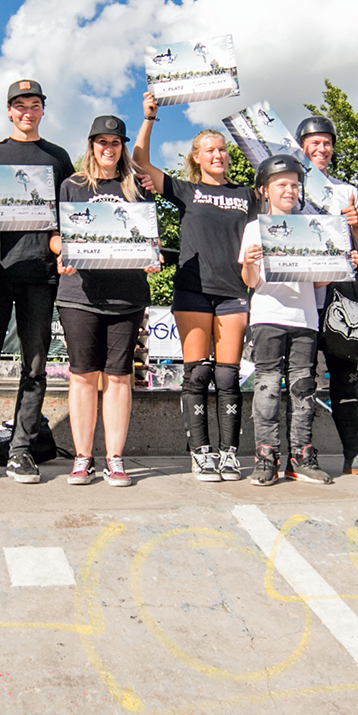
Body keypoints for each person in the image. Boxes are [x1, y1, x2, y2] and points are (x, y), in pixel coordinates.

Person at [133, 93, 255, 482]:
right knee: (198, 374)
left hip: (234, 291)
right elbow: (139, 163)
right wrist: (149, 119)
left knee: (228, 376)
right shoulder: (186, 190)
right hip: (193, 290)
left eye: (222, 150)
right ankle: (201, 453)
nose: (218, 155)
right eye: (210, 150)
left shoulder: (247, 195)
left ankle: (229, 453)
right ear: (196, 157)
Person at [0, 79, 72, 483]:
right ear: (9, 110)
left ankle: (21, 449)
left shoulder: (58, 158)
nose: (28, 111)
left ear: (43, 109)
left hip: (39, 275)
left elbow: (70, 212)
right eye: (20, 105)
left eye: (35, 104)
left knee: (35, 366)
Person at [52, 115, 159, 487]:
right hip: (79, 296)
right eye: (102, 142)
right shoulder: (72, 186)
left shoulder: (138, 187)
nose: (108, 148)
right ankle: (83, 458)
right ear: (91, 145)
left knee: (118, 377)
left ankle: (115, 459)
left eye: (115, 142)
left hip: (127, 297)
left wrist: (152, 256)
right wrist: (63, 252)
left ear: (122, 147)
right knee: (82, 376)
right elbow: (56, 235)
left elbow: (150, 239)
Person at [238, 154, 351, 485]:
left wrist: (340, 264)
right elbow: (250, 281)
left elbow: (317, 282)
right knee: (268, 385)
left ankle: (301, 457)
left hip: (305, 317)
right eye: (282, 185)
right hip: (267, 315)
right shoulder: (254, 228)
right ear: (265, 190)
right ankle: (266, 457)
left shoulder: (312, 228)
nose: (289, 190)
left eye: (294, 185)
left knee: (303, 386)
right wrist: (249, 262)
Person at [295, 114, 358, 479]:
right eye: (314, 143)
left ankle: (355, 453)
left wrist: (355, 226)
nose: (321, 149)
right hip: (302, 294)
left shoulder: (346, 190)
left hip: (341, 295)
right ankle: (300, 455)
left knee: (346, 375)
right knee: (301, 377)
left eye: (327, 143)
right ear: (301, 147)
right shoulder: (289, 185)